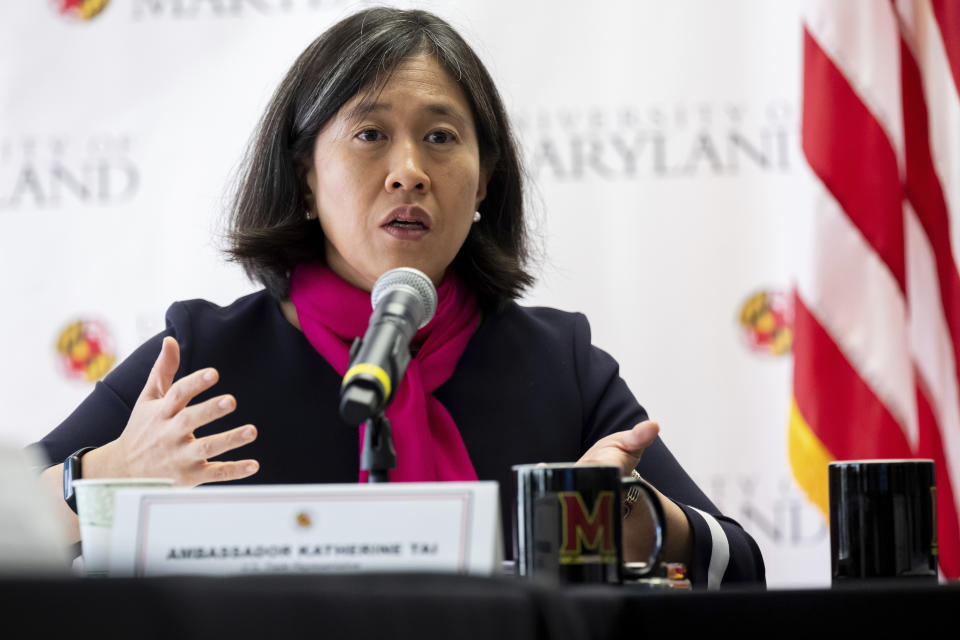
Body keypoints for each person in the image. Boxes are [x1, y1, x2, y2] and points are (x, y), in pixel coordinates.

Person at [33, 6, 764, 588]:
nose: (409, 171)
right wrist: (102, 475)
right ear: (306, 178)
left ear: (482, 183)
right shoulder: (200, 365)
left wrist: (640, 521)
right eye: (371, 134)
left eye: (441, 138)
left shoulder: (559, 366)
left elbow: (742, 565)